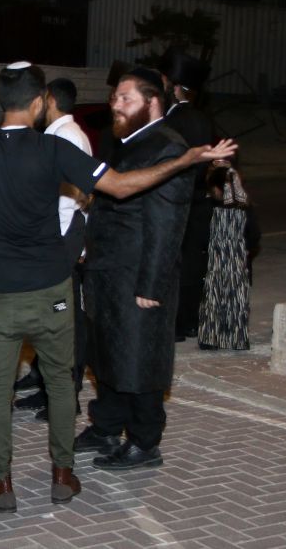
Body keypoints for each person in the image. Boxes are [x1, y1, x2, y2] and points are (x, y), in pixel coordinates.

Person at [0, 62, 236, 512]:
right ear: (40, 102)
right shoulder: (53, 148)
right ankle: (62, 475)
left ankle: (2, 484)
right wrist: (186, 160)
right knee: (61, 384)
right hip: (52, 291)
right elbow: (121, 187)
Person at [75, 67, 203, 471]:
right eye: (114, 97)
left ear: (152, 102)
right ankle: (107, 425)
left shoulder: (168, 147)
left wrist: (153, 284)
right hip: (108, 271)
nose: (115, 104)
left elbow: (167, 224)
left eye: (125, 98)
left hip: (138, 275)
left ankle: (145, 442)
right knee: (107, 354)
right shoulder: (127, 141)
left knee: (139, 359)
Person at [13, 78, 94, 422]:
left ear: (49, 100)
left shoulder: (68, 137)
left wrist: (66, 244)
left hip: (61, 239)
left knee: (64, 320)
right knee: (48, 318)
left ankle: (65, 396)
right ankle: (47, 386)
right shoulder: (56, 135)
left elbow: (76, 198)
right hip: (54, 238)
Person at [158, 48, 215, 342]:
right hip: (194, 201)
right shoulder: (198, 117)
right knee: (191, 262)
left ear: (174, 85)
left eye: (163, 80)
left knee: (178, 263)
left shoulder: (178, 120)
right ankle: (189, 321)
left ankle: (178, 323)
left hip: (181, 202)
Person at [197, 160, 261, 351]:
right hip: (238, 260)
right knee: (237, 299)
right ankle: (237, 338)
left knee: (213, 299)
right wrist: (247, 248)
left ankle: (211, 337)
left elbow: (201, 235)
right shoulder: (244, 207)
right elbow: (254, 234)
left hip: (215, 260)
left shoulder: (209, 207)